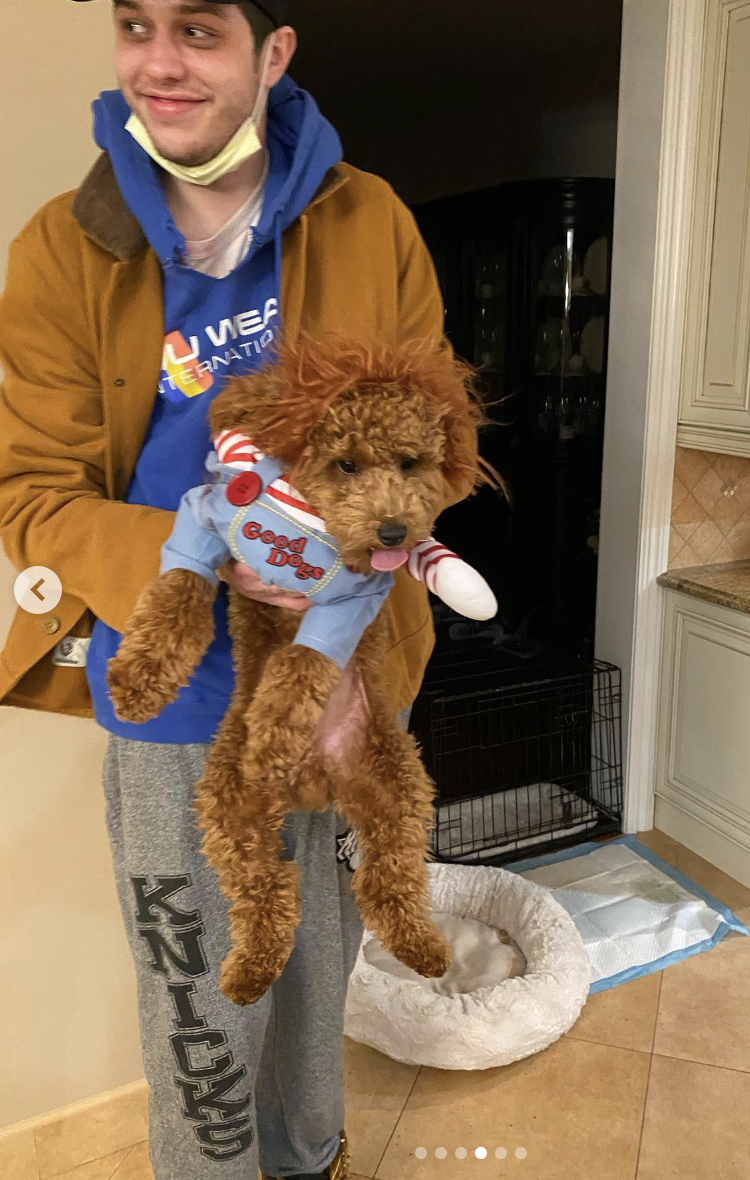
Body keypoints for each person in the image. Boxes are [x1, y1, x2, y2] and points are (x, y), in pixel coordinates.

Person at [0, 3, 475, 1178]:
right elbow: (31, 494)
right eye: (135, 25)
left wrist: (342, 587)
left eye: (200, 31)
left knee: (316, 967)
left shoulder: (373, 219)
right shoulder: (62, 247)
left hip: (347, 665)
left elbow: (433, 442)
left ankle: (312, 1160)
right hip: (174, 699)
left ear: (273, 53)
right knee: (202, 1002)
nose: (159, 62)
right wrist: (203, 555)